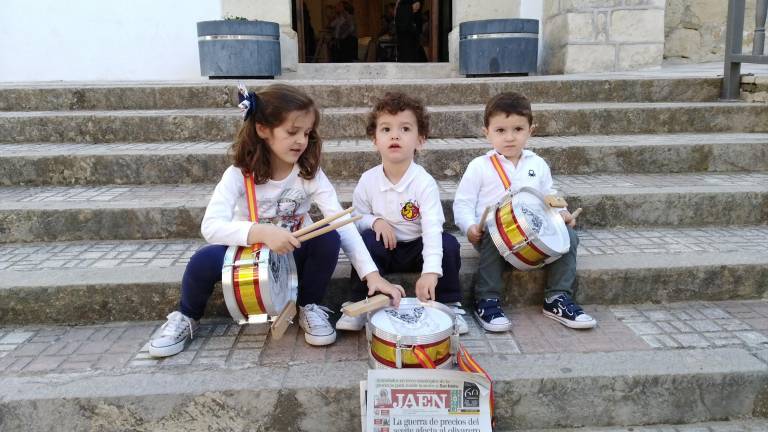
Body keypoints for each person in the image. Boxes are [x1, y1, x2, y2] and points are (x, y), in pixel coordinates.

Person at [148, 84, 404, 357]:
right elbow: (210, 226)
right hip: (249, 256)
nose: (301, 141)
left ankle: (309, 306)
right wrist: (261, 232)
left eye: (306, 133)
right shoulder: (238, 174)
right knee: (203, 260)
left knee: (329, 236)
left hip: (293, 254)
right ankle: (186, 316)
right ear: (262, 129)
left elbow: (342, 222)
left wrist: (372, 275)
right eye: (292, 132)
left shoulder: (310, 174)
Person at [452, 92, 597, 332]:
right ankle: (487, 299)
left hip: (533, 237)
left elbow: (549, 196)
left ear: (531, 130)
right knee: (492, 228)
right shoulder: (479, 166)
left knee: (569, 237)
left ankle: (557, 298)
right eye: (500, 131)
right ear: (486, 132)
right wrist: (469, 228)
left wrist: (562, 214)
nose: (509, 137)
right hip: (495, 238)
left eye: (518, 129)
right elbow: (463, 203)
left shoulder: (537, 164)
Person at [336, 92, 468, 334]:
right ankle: (359, 301)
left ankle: (449, 303)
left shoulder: (423, 182)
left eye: (405, 129)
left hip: (417, 245)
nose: (395, 135)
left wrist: (430, 272)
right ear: (374, 139)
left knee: (448, 245)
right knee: (365, 242)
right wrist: (374, 221)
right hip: (386, 247)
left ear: (421, 139)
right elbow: (356, 219)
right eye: (386, 129)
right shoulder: (368, 180)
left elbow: (431, 228)